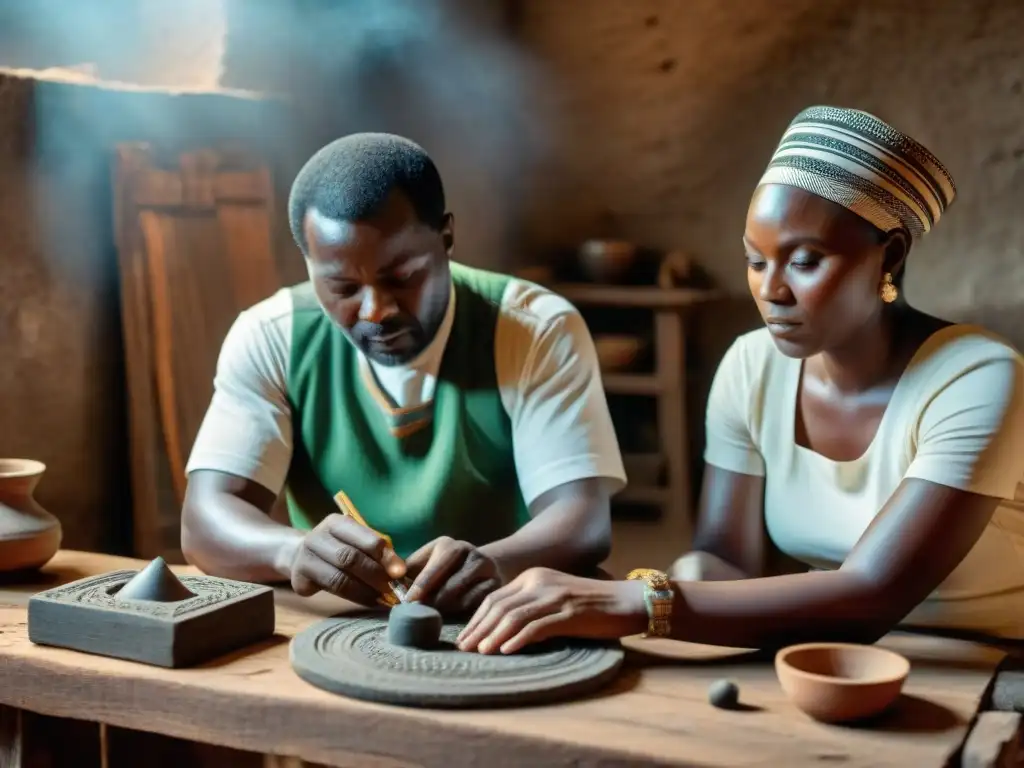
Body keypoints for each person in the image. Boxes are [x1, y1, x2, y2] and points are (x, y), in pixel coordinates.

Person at [456, 105, 1024, 656]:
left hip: (987, 663)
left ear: (890, 255)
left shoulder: (977, 378)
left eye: (804, 261)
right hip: (824, 651)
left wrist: (638, 601)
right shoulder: (753, 367)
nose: (772, 291)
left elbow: (871, 592)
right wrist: (685, 578)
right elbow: (726, 559)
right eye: (757, 262)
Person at [181, 132, 626, 614]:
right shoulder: (273, 335)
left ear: (447, 237)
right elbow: (204, 522)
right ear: (310, 268)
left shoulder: (533, 328)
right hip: (343, 620)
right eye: (344, 287)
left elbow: (582, 522)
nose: (376, 311)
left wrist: (490, 562)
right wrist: (293, 550)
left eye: (402, 277)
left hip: (500, 614)